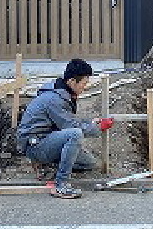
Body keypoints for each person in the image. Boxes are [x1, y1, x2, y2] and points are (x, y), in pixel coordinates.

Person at [16, 58, 114, 199]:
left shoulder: (62, 93)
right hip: (35, 145)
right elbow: (71, 126)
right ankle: (60, 185)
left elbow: (68, 120)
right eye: (84, 84)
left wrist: (91, 123)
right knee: (75, 135)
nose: (84, 87)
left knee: (88, 162)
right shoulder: (54, 99)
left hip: (45, 139)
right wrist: (98, 128)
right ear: (72, 81)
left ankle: (48, 166)